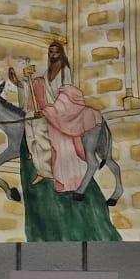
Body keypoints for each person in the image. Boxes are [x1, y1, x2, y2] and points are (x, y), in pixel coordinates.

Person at [10, 40, 103, 198]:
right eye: (51, 52)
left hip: (64, 114)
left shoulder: (65, 71)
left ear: (61, 53)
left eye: (56, 52)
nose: (53, 55)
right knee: (33, 127)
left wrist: (50, 111)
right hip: (51, 113)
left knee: (62, 147)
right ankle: (44, 171)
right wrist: (20, 83)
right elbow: (37, 86)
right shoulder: (47, 72)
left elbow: (68, 95)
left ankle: (71, 183)